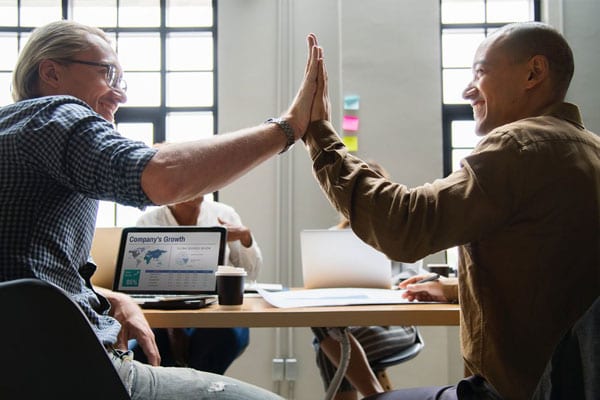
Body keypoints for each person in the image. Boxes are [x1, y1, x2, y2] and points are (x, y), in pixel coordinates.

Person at [0, 20, 322, 399]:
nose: (119, 94)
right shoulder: (55, 115)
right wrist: (288, 128)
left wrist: (110, 297)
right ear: (51, 72)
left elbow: (26, 273)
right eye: (108, 73)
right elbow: (164, 177)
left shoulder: (14, 131)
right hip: (69, 372)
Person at [303, 22, 599, 400]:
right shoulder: (589, 149)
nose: (467, 89)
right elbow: (565, 278)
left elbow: (405, 223)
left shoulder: (517, 145)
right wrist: (457, 288)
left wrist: (318, 133)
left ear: (533, 73)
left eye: (480, 72)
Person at [311, 160, 418, 400]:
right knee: (325, 331)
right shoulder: (334, 237)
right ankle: (377, 396)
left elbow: (410, 280)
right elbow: (321, 278)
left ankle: (375, 396)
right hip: (351, 323)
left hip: (396, 325)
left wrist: (380, 283)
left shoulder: (400, 233)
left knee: (328, 348)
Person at [131, 193, 262, 373]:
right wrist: (172, 326)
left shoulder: (223, 214)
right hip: (164, 313)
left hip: (215, 313)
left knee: (222, 336)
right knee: (143, 346)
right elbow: (142, 284)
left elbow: (251, 272)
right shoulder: (148, 222)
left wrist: (245, 236)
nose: (195, 188)